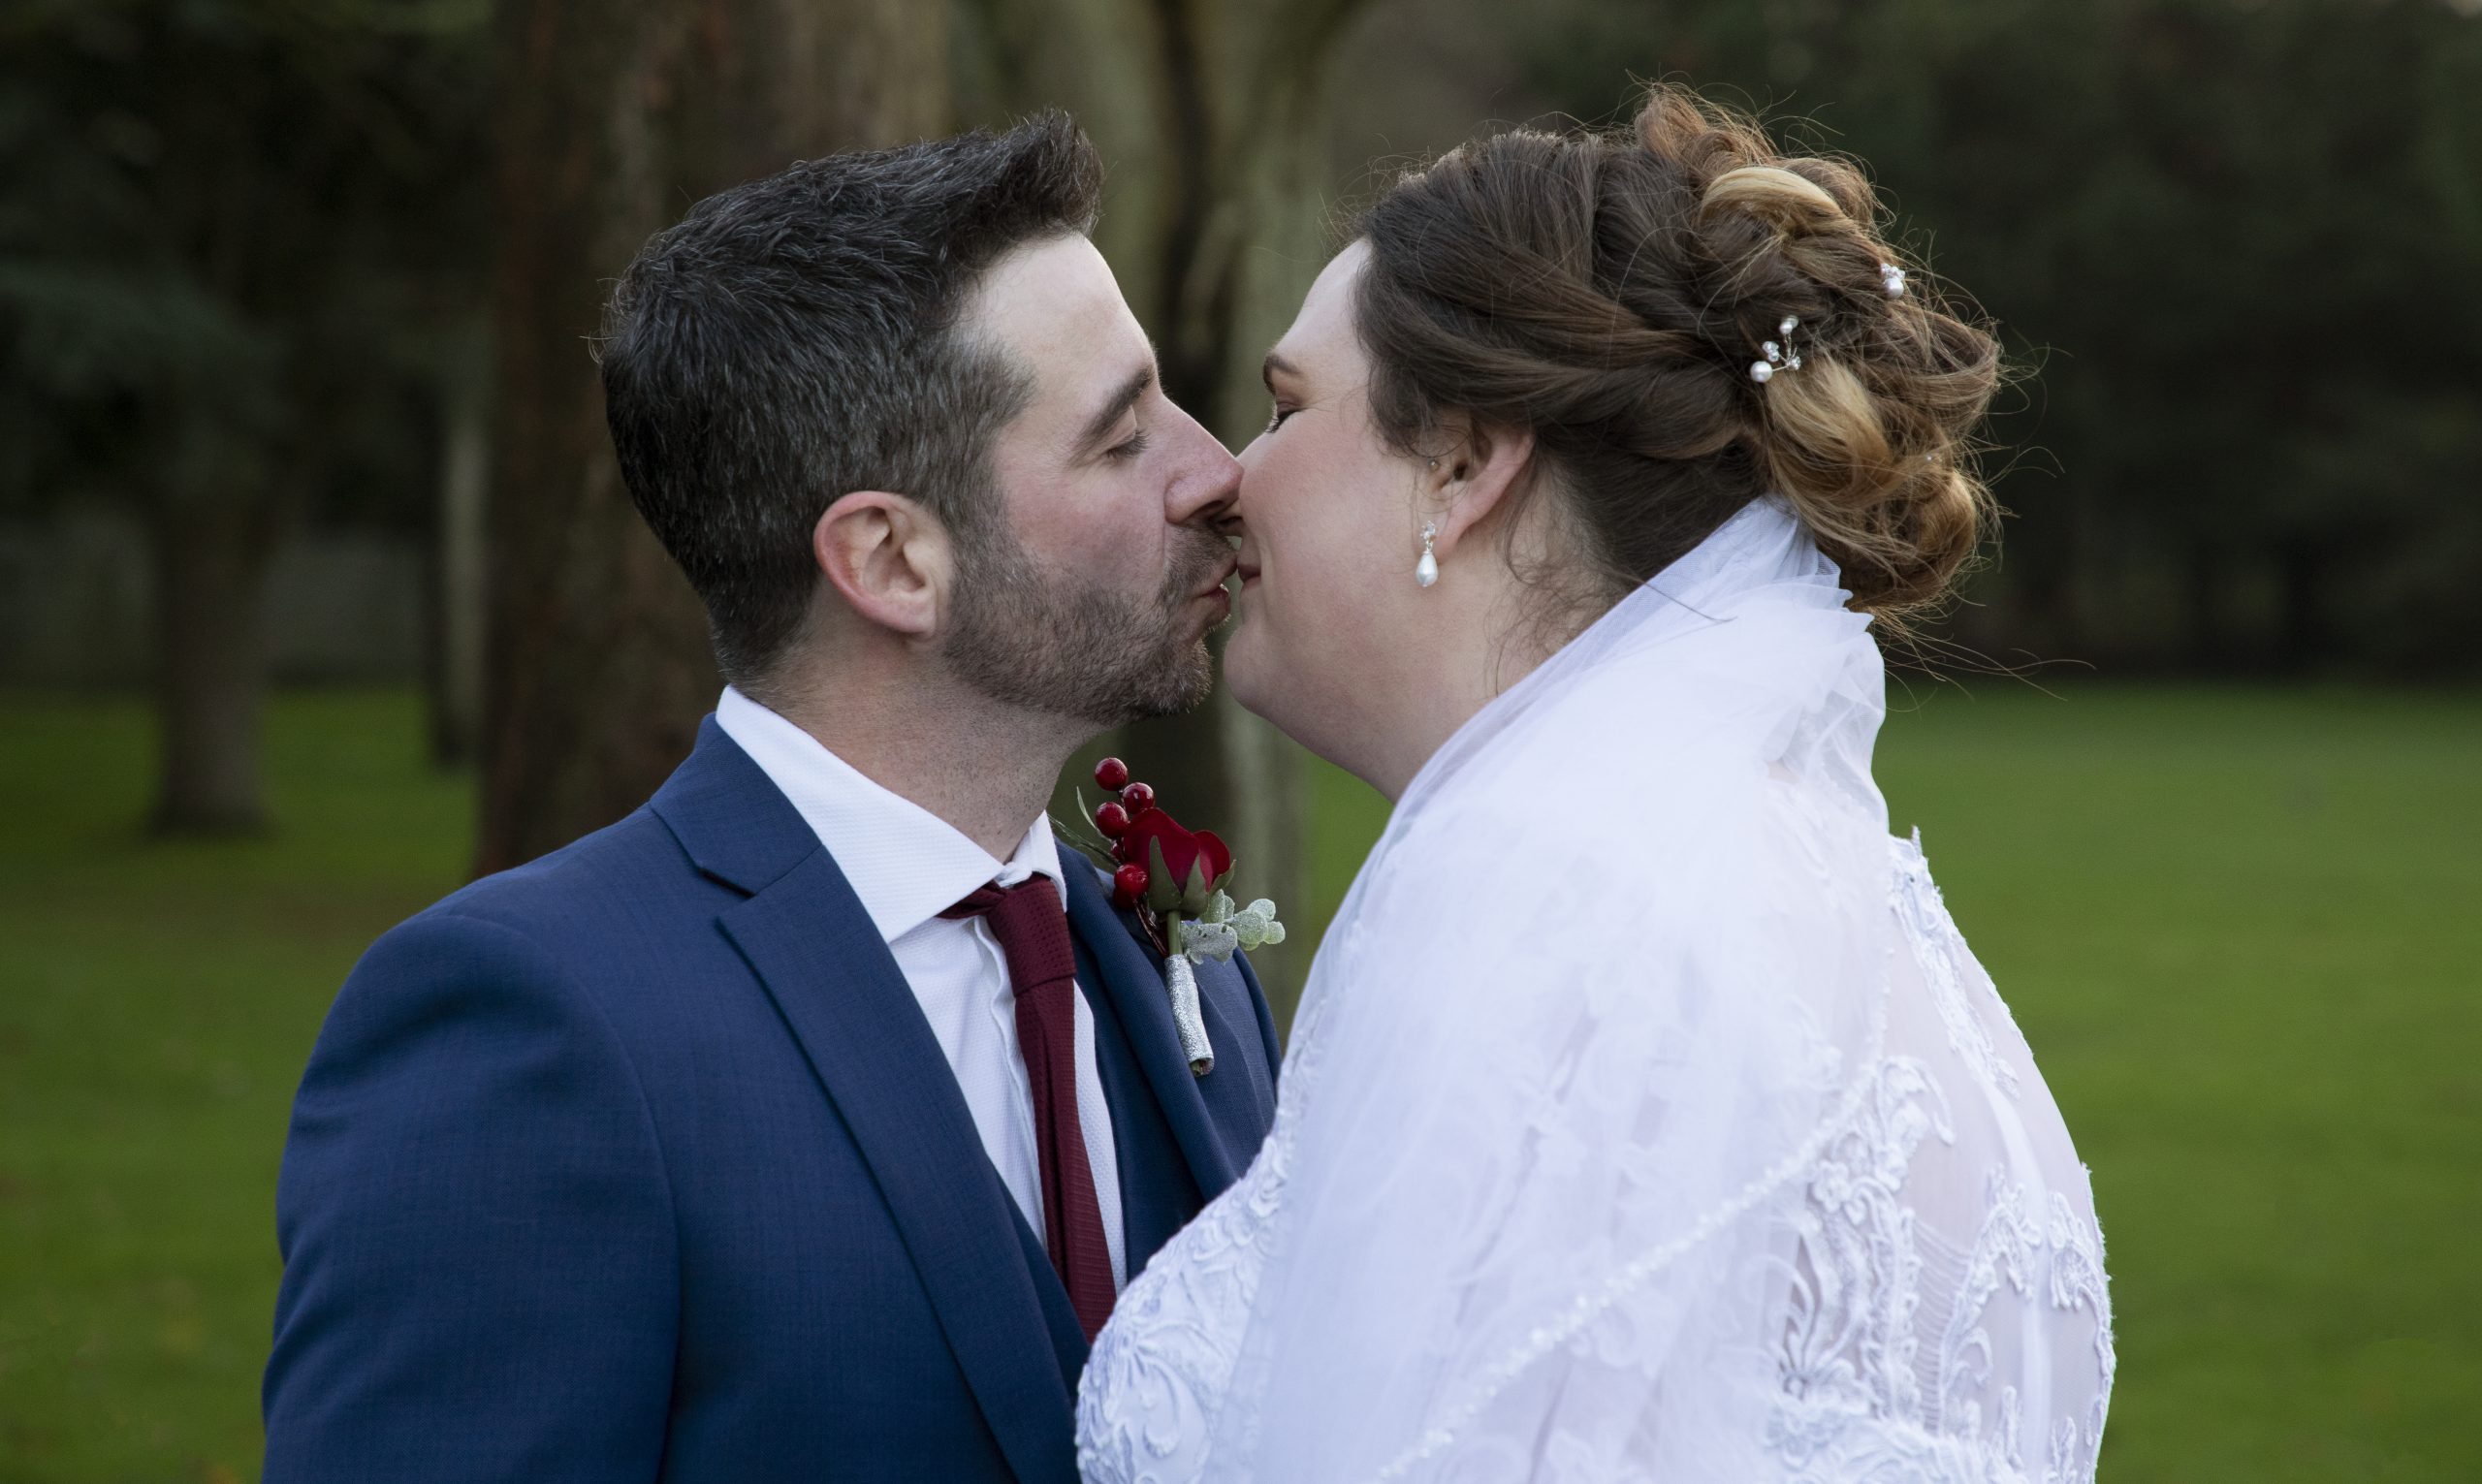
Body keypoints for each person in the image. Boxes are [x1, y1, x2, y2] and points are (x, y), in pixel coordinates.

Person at [1077, 87, 2114, 1483]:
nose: (1226, 478)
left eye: (1286, 408)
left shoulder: (1550, 895)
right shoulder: (1816, 887)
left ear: (1461, 461)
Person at [263, 114, 1283, 1484]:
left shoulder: (1186, 970)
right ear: (891, 561)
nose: (1216, 471)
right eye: (1122, 436)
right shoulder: (535, 1029)